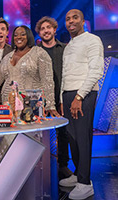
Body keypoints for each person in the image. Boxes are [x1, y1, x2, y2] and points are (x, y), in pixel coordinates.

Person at [59, 9, 104, 200]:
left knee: (83, 139)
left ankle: (85, 183)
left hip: (83, 95)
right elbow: (65, 73)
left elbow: (96, 70)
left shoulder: (93, 40)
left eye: (75, 18)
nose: (71, 21)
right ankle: (78, 175)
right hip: (68, 95)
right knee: (72, 138)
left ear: (83, 21)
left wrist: (79, 97)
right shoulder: (69, 45)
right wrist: (63, 100)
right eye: (68, 19)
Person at [0, 25, 59, 117]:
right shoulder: (7, 57)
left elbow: (47, 81)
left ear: (29, 36)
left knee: (30, 130)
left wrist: (50, 105)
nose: (19, 37)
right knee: (12, 131)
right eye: (15, 35)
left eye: (23, 34)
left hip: (32, 107)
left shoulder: (39, 53)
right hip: (8, 107)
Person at [35, 16, 73, 179]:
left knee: (63, 133)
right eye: (42, 28)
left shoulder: (64, 49)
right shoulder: (35, 52)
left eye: (48, 27)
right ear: (39, 33)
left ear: (54, 29)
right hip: (39, 99)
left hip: (61, 97)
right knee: (37, 132)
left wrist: (64, 99)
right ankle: (38, 166)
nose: (46, 31)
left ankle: (63, 165)